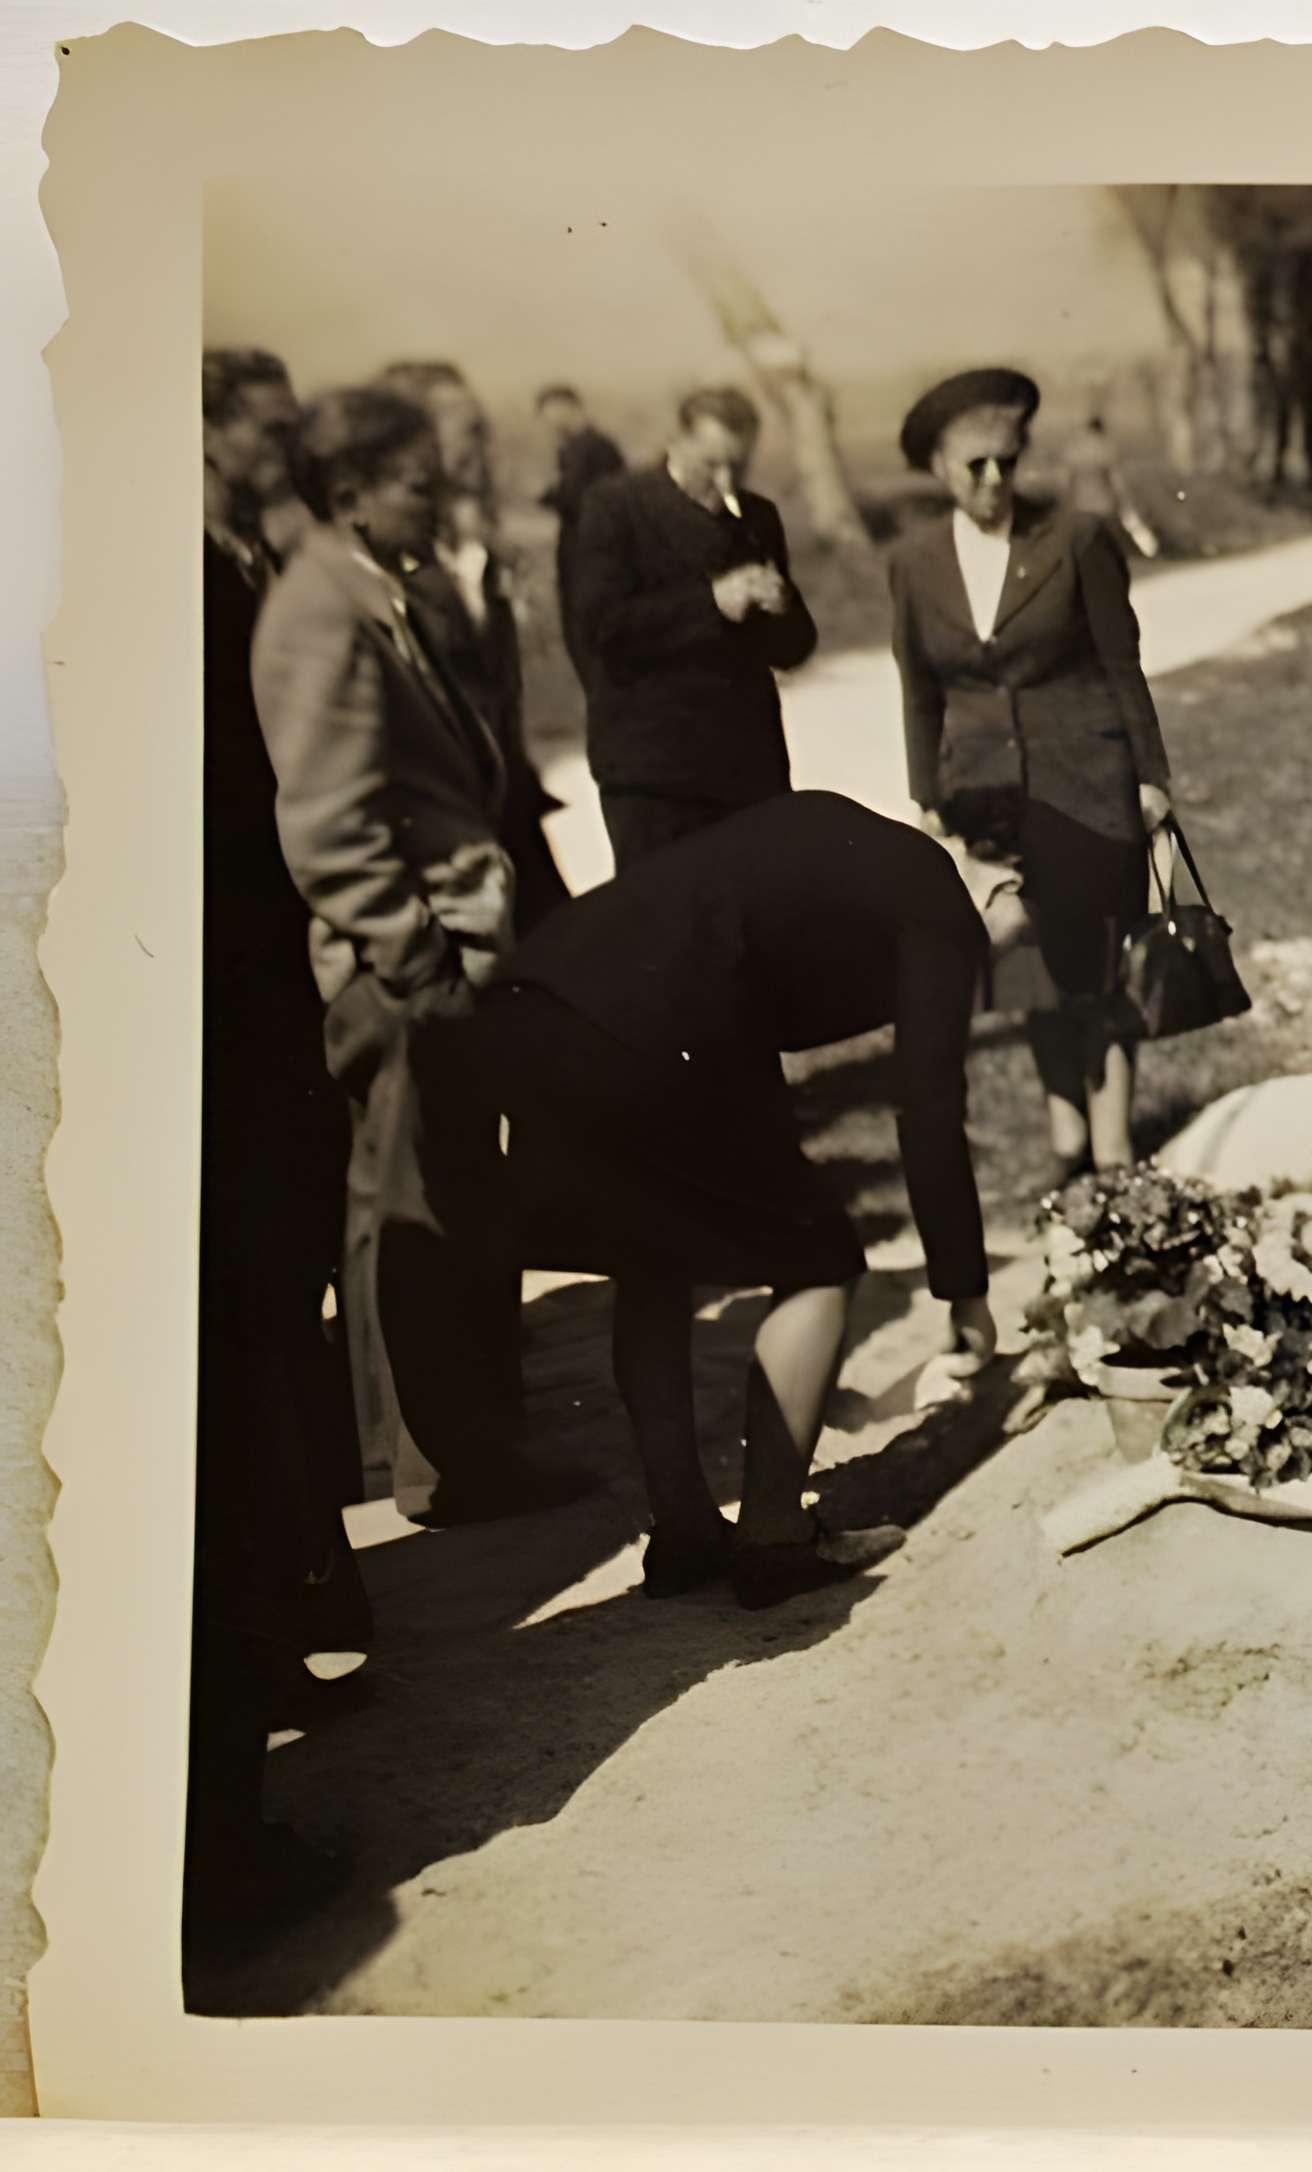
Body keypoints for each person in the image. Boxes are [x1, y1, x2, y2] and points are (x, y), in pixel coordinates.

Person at [475, 792, 1012, 1607]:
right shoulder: (939, 903)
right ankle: (774, 1535)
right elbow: (929, 1112)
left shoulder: (846, 850)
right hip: (635, 1024)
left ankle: (685, 1530)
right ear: (1008, 884)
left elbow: (734, 997)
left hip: (532, 1006)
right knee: (820, 1260)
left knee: (652, 1253)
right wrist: (966, 1291)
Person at [251, 386, 576, 1531]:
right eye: (414, 483)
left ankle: (464, 1448)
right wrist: (416, 960)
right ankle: (440, 1469)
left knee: (453, 1196)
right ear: (348, 495)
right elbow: (329, 826)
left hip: (445, 949)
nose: (434, 500)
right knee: (415, 1214)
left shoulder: (379, 590)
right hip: (404, 971)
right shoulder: (320, 612)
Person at [193, 347, 366, 1939]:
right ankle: (219, 1837)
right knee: (233, 1386)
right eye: (259, 432)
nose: (283, 455)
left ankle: (288, 1632)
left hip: (244, 1049)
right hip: (218, 1048)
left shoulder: (234, 565)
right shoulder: (184, 583)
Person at [887, 368, 1179, 1188]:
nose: (991, 482)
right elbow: (919, 688)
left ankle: (1115, 1150)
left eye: (1005, 464)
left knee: (1100, 966)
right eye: (972, 466)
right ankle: (1065, 1142)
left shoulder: (1077, 539)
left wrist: (1149, 777)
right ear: (939, 468)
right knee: (1031, 975)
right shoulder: (913, 562)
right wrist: (926, 800)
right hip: (985, 797)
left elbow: (1123, 664)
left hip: (1085, 782)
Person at [562, 386, 818, 871]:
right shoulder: (616, 506)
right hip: (654, 776)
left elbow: (793, 650)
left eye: (738, 467)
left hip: (748, 767)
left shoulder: (758, 517)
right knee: (669, 929)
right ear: (674, 443)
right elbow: (601, 627)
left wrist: (781, 603)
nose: (725, 483)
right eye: (711, 465)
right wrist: (712, 604)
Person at [378, 361, 573, 937]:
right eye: (466, 432)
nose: (479, 449)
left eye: (481, 430)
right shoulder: (387, 560)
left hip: (510, 807)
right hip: (450, 831)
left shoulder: (477, 544)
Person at [535, 382, 630, 689]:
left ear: (568, 407)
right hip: (592, 554)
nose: (549, 423)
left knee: (587, 639)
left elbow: (575, 495)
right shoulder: (593, 446)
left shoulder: (586, 447)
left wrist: (549, 494)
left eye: (550, 413)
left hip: (587, 556)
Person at [1060, 407, 1159, 558]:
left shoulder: (1074, 450)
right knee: (1106, 544)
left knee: (1084, 544)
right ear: (1101, 429)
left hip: (1080, 506)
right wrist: (1126, 502)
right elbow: (1116, 481)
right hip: (1104, 506)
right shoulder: (1106, 448)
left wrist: (1066, 505)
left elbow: (1065, 482)